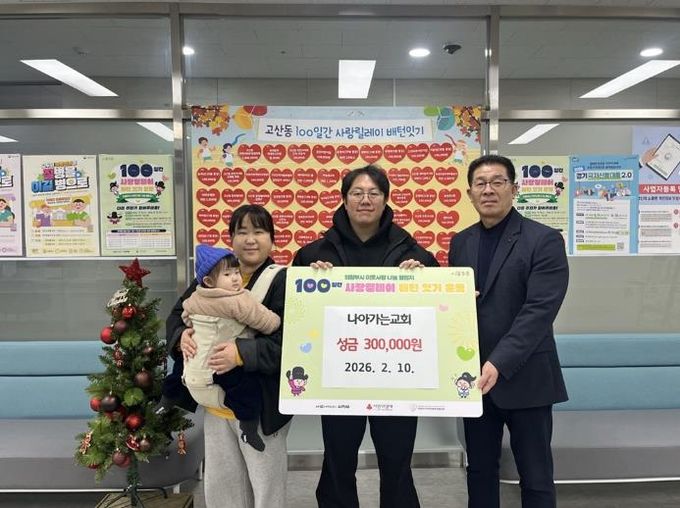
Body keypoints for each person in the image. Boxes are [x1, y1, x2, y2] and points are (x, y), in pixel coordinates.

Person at [292, 164, 439, 508]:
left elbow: (439, 310)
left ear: (385, 200)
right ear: (344, 200)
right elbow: (294, 311)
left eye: (374, 193)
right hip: (338, 377)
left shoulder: (412, 253)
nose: (365, 199)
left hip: (397, 378)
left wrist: (424, 280)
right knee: (338, 458)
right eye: (357, 193)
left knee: (397, 460)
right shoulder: (314, 255)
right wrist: (310, 283)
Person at [448, 154, 569, 508]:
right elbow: (454, 306)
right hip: (474, 379)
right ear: (470, 193)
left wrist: (499, 362)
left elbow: (538, 311)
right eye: (480, 184)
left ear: (514, 189)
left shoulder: (544, 239)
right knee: (479, 471)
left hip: (526, 377)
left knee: (535, 476)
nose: (488, 190)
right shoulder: (461, 242)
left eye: (497, 182)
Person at [166, 204, 291, 508]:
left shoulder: (282, 281)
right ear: (231, 239)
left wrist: (241, 353)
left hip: (261, 404)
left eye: (259, 231)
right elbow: (176, 315)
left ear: (272, 239)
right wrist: (182, 335)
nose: (250, 240)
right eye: (242, 232)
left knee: (265, 485)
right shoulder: (210, 278)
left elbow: (291, 340)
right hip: (215, 404)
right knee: (223, 485)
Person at [157, 244, 281, 452]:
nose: (235, 278)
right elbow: (268, 322)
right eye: (227, 274)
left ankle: (166, 402)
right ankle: (248, 427)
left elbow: (185, 315)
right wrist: (275, 322)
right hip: (222, 362)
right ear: (208, 281)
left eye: (236, 272)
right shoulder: (238, 300)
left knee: (178, 373)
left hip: (197, 356)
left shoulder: (195, 297)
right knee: (245, 390)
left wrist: (186, 332)